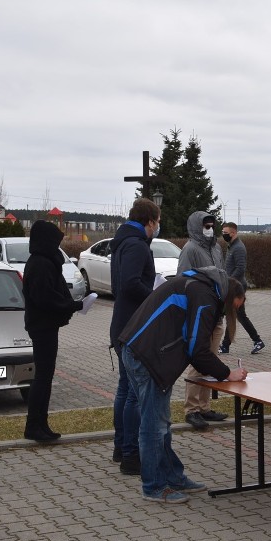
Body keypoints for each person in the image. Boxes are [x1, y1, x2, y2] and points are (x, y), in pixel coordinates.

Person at [118, 267, 247, 503]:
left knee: (160, 423)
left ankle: (173, 477)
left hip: (141, 352)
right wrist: (228, 373)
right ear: (229, 298)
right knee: (154, 426)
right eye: (235, 307)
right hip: (148, 357)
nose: (233, 313)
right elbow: (198, 351)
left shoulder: (199, 286)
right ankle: (154, 487)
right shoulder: (205, 296)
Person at [109, 197, 160, 476]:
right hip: (133, 326)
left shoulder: (122, 242)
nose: (157, 227)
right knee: (133, 394)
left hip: (122, 323)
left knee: (124, 389)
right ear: (149, 221)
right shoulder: (137, 245)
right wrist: (154, 297)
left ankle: (120, 447)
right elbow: (129, 284)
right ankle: (130, 454)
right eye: (157, 222)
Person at [22, 220, 86, 442]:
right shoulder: (40, 264)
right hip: (42, 326)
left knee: (45, 377)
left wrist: (72, 304)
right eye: (55, 241)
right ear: (45, 241)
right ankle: (34, 425)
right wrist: (74, 305)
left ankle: (41, 423)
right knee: (42, 378)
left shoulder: (46, 261)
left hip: (46, 325)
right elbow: (46, 299)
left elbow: (51, 295)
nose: (58, 246)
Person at [177, 211, 228, 430]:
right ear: (197, 227)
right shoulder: (190, 249)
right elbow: (182, 279)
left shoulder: (216, 248)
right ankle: (191, 409)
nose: (209, 229)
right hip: (200, 313)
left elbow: (222, 275)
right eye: (205, 226)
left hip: (217, 312)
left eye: (211, 225)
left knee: (211, 360)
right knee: (199, 362)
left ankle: (205, 406)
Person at [219, 222, 264, 355]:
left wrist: (229, 282)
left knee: (236, 315)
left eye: (226, 233)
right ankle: (255, 341)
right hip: (234, 285)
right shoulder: (231, 246)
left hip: (237, 287)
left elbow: (240, 268)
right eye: (223, 232)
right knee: (236, 315)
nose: (223, 235)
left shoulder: (238, 248)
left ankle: (255, 341)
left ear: (233, 233)